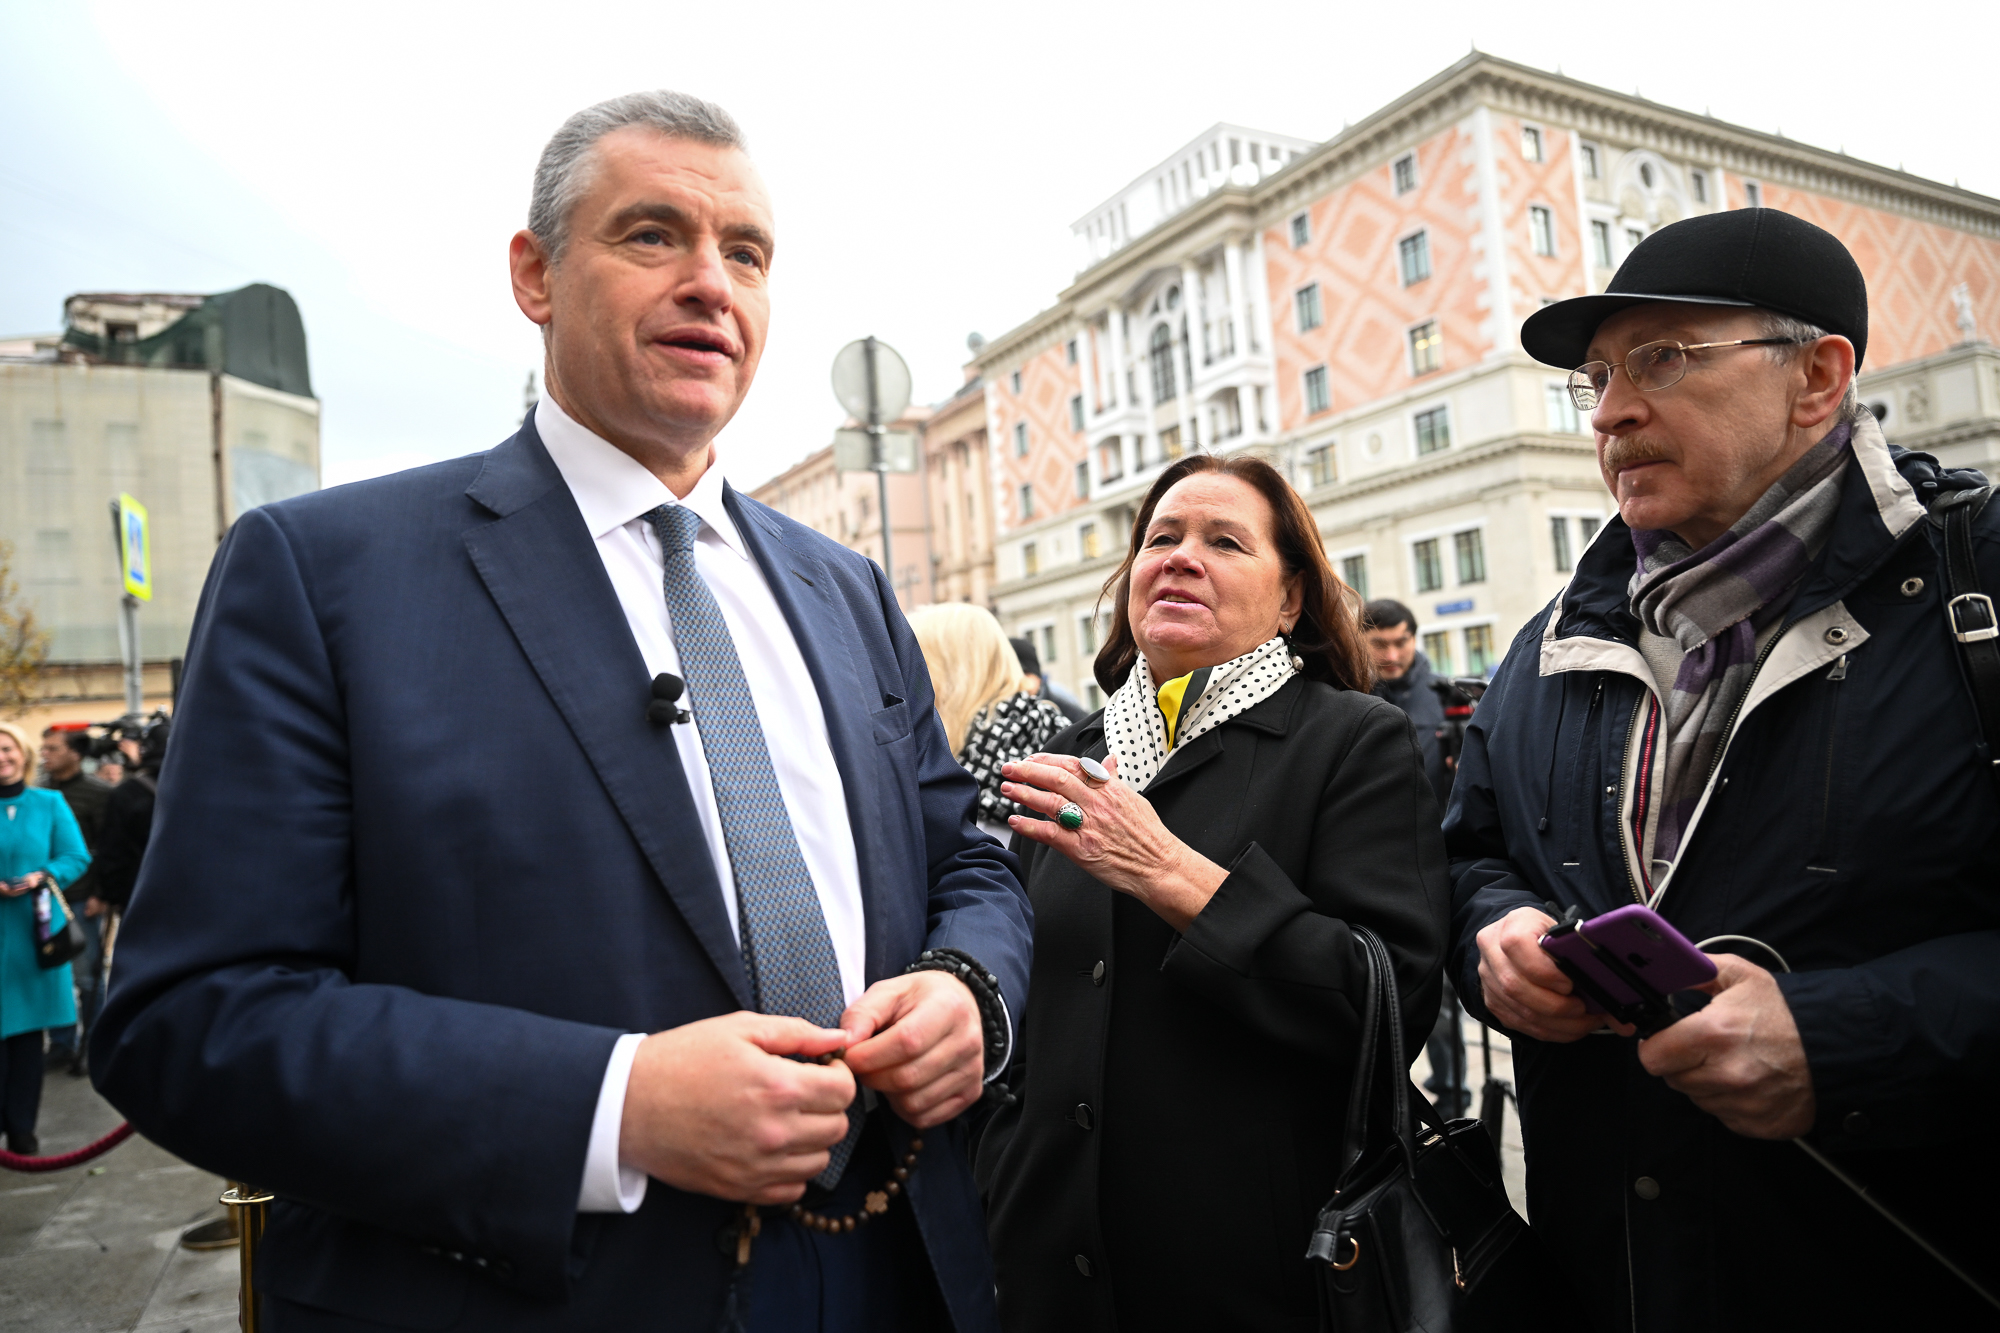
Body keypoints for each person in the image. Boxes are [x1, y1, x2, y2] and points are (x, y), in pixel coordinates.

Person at [92, 91, 1029, 1332]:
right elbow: (190, 1020)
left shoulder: (844, 588)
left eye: (745, 252)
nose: (710, 283)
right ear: (534, 275)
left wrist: (968, 987)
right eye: (652, 235)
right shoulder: (324, 575)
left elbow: (965, 856)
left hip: (892, 1266)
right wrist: (613, 1106)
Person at [1449, 208, 2000, 1328]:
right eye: (1596, 377)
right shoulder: (1553, 641)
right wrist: (1494, 942)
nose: (1609, 411)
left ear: (1817, 377)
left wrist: (1847, 1040)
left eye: (1662, 358)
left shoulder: (1974, 586)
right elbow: (1471, 855)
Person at [976, 454, 1450, 1331]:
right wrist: (1001, 1165)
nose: (1181, 557)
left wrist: (1168, 871)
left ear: (1291, 598)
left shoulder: (1354, 741)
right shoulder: (1076, 753)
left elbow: (1386, 1002)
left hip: (1255, 1275)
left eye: (1225, 541)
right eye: (1161, 538)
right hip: (1051, 1272)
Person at [1359, 600, 1467, 1117]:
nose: (1392, 653)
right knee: (1372, 996)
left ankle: (1451, 1100)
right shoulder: (1349, 694)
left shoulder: (1446, 699)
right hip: (1368, 867)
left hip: (1432, 871)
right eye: (1380, 643)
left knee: (1439, 1003)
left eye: (1401, 641)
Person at [0, 721, 90, 1156]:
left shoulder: (49, 802)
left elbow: (76, 856)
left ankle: (22, 1129)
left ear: (23, 754)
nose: (2, 757)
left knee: (27, 1039)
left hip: (35, 933)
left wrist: (43, 875)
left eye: (7, 748)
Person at [908, 604, 1068, 841]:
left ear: (952, 673)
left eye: (918, 664)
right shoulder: (1046, 731)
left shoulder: (950, 759)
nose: (907, 679)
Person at [36, 727, 111, 1075]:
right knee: (53, 976)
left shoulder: (98, 793)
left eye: (52, 748)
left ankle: (94, 1046)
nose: (45, 754)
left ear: (75, 754)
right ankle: (61, 1044)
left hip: (82, 900)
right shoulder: (39, 791)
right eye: (43, 748)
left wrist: (100, 894)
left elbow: (106, 848)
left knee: (86, 977)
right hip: (42, 900)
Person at [1008, 635, 1086, 724]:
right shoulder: (1007, 707)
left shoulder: (1059, 698)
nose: (1018, 682)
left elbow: (1084, 723)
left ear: (1037, 676)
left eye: (1025, 673)